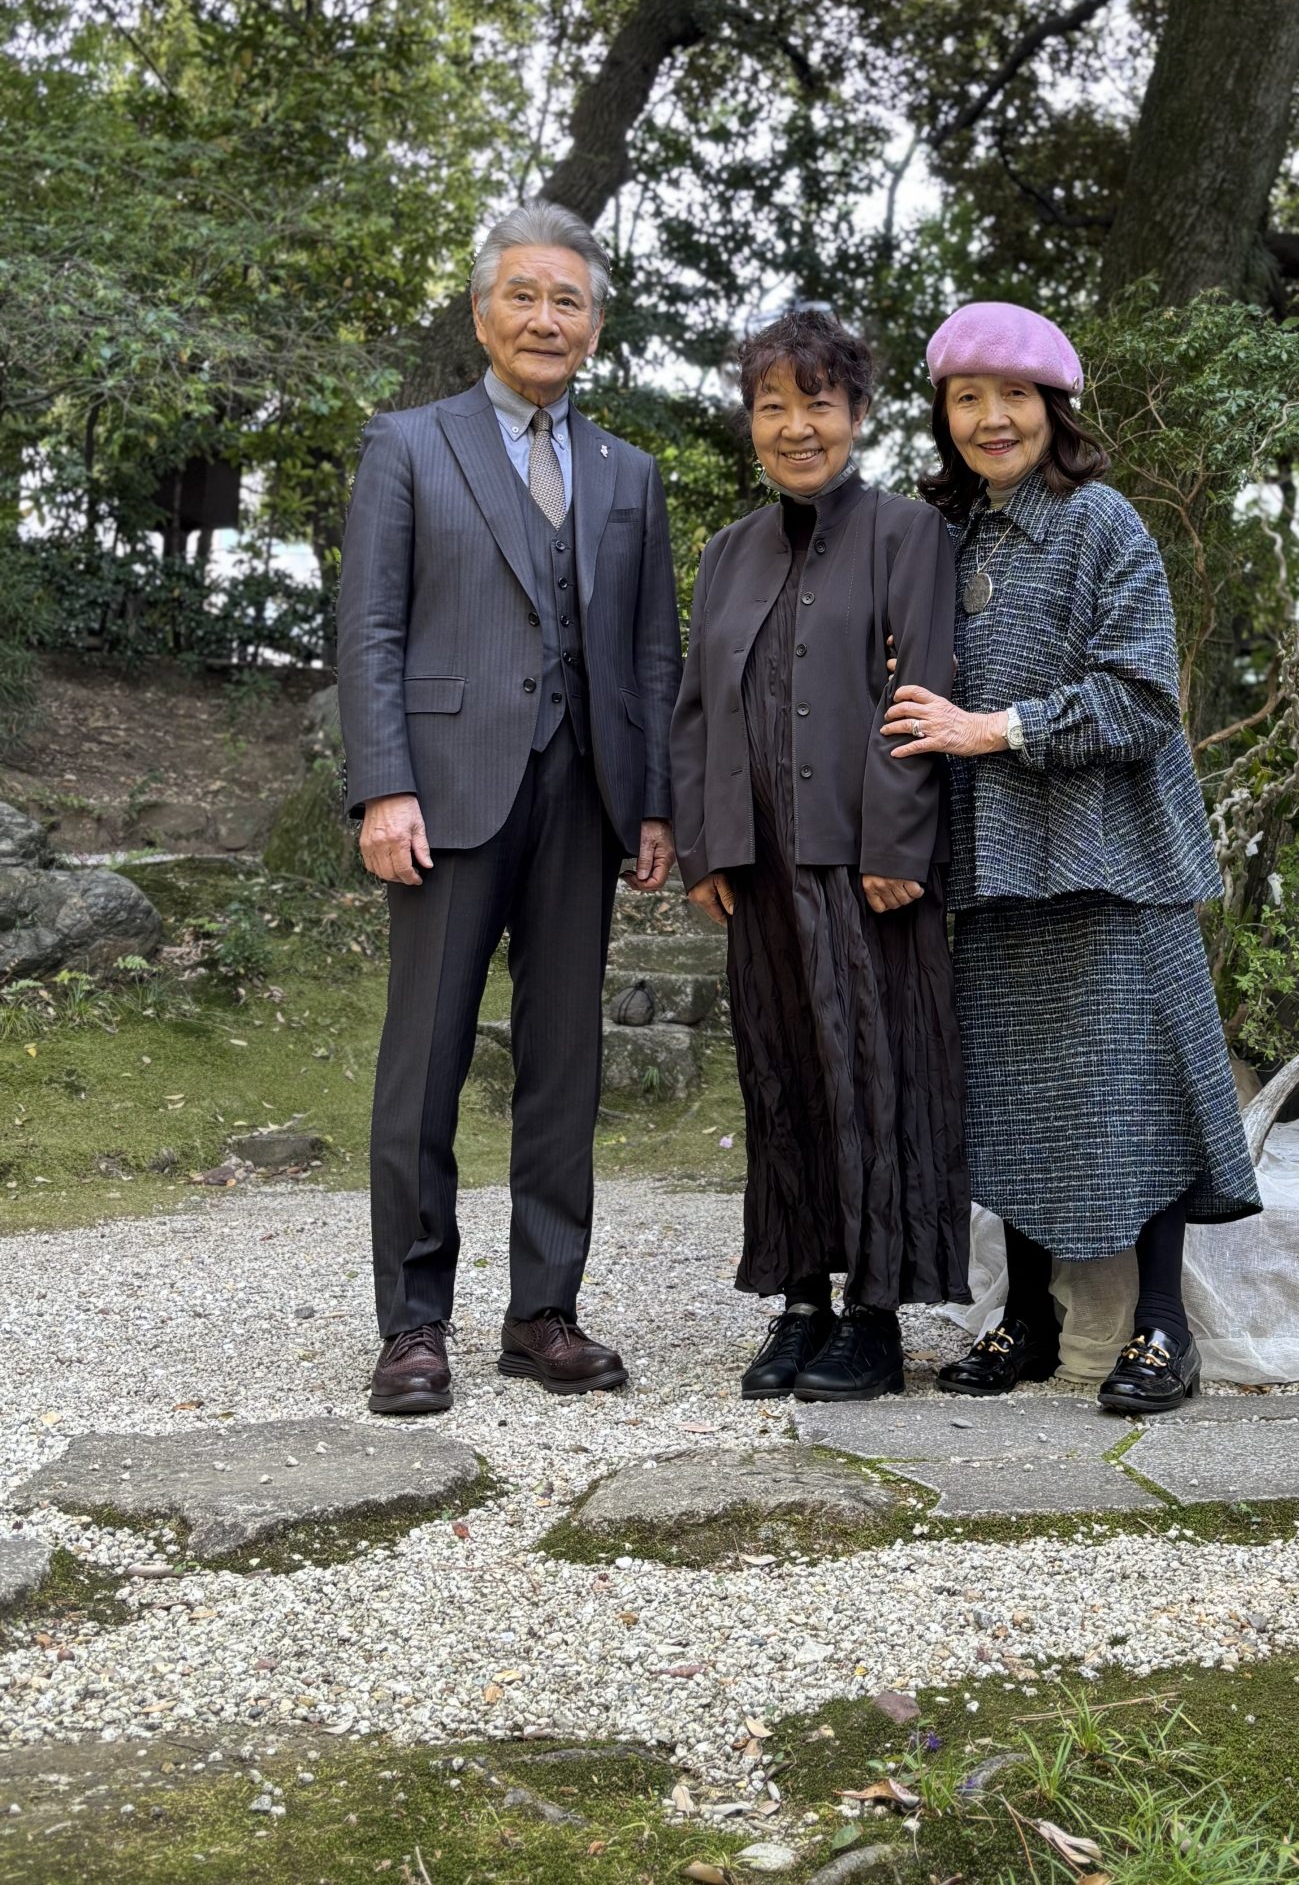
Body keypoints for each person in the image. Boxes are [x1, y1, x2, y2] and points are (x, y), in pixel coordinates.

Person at [883, 300, 1259, 1415]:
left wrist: (992, 729)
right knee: (1010, 1090)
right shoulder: (942, 537)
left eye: (1015, 395)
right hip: (994, 863)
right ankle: (1030, 1318)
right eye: (968, 399)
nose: (991, 418)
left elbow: (1142, 698)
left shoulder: (1103, 521)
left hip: (1114, 857)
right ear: (945, 415)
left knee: (1138, 1091)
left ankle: (1163, 1327)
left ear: (1055, 407)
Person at [337, 201, 680, 1416]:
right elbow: (371, 628)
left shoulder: (629, 474)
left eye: (567, 300)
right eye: (522, 296)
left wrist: (652, 804)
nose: (545, 318)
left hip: (585, 795)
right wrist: (383, 784)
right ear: (483, 314)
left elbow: (652, 654)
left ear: (594, 326)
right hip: (443, 791)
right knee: (424, 1060)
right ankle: (412, 1323)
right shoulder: (409, 445)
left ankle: (544, 1312)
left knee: (565, 1061)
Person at [672, 309, 969, 1402]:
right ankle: (801, 1300)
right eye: (772, 407)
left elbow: (921, 691)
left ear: (858, 415)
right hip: (756, 869)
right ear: (751, 423)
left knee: (876, 1079)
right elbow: (697, 710)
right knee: (782, 1077)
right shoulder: (726, 553)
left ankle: (875, 1317)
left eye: (819, 404)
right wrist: (706, 845)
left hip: (865, 867)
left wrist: (898, 839)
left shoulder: (908, 534)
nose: (796, 427)